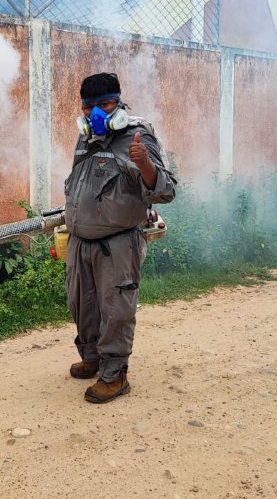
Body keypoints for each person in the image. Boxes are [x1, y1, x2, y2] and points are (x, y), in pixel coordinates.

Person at [63, 72, 176, 403]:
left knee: (116, 308)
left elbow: (166, 191)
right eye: (89, 106)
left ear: (119, 103)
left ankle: (115, 375)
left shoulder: (137, 137)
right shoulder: (85, 138)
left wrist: (146, 167)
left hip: (118, 243)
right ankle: (92, 358)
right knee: (81, 304)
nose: (96, 113)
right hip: (80, 240)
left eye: (105, 104)